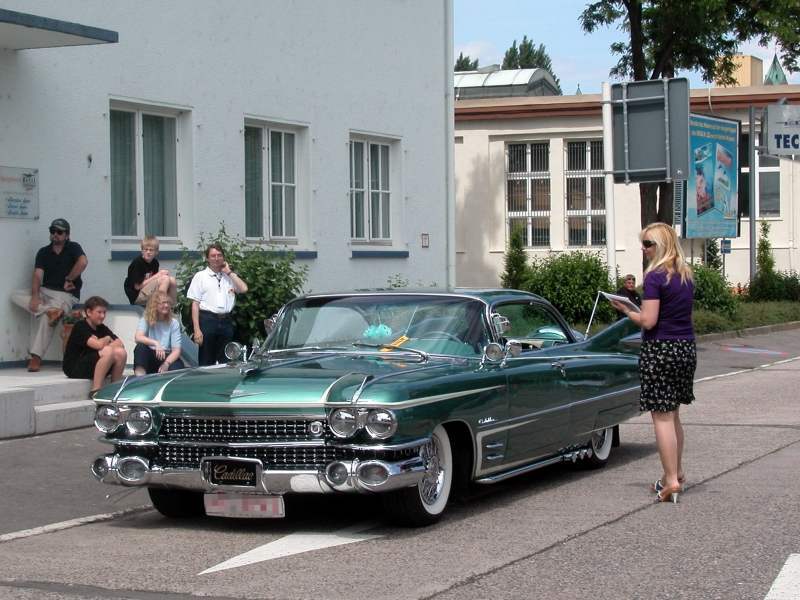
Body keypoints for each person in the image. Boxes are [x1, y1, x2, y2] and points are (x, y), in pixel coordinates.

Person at [611, 222, 695, 504]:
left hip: (660, 349)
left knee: (661, 416)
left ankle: (670, 481)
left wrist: (626, 311)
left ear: (661, 245)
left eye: (648, 244)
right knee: (674, 414)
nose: (643, 248)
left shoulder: (655, 277)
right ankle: (677, 472)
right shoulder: (685, 274)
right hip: (685, 348)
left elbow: (649, 320)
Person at [10, 218, 88, 372]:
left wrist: (69, 278)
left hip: (65, 295)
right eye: (52, 231)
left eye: (59, 232)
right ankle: (49, 310)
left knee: (47, 320)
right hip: (46, 292)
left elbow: (83, 262)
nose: (55, 235)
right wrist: (34, 295)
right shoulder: (44, 252)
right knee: (14, 295)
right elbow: (38, 275)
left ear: (67, 234)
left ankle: (36, 357)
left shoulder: (73, 248)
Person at [187, 243, 248, 366]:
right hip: (208, 319)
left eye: (219, 255)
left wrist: (229, 272)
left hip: (226, 321)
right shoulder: (200, 276)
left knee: (226, 360)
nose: (216, 258)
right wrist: (197, 329)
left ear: (223, 257)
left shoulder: (229, 276)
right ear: (207, 258)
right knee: (206, 360)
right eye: (213, 255)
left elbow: (244, 289)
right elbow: (195, 304)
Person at [62, 296, 127, 397]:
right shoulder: (80, 326)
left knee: (121, 353)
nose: (102, 316)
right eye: (99, 312)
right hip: (74, 367)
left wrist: (102, 340)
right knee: (108, 351)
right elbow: (98, 345)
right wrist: (106, 339)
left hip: (93, 364)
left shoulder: (101, 327)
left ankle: (115, 388)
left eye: (104, 312)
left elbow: (120, 344)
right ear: (88, 312)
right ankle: (95, 390)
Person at [133, 291, 184, 375]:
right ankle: (140, 379)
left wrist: (166, 363)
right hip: (151, 354)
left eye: (168, 303)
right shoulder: (146, 319)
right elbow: (138, 337)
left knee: (177, 367)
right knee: (140, 348)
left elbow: (176, 350)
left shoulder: (174, 323)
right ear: (155, 305)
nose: (166, 305)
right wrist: (156, 343)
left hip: (167, 356)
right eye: (163, 303)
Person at [123, 235, 177, 306]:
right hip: (137, 296)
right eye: (146, 249)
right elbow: (137, 287)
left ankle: (171, 307)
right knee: (165, 279)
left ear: (156, 252)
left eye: (151, 250)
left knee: (172, 280)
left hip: (148, 292)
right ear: (142, 251)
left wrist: (159, 276)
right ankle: (160, 306)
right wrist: (158, 275)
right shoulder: (137, 263)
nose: (148, 252)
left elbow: (154, 283)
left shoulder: (155, 263)